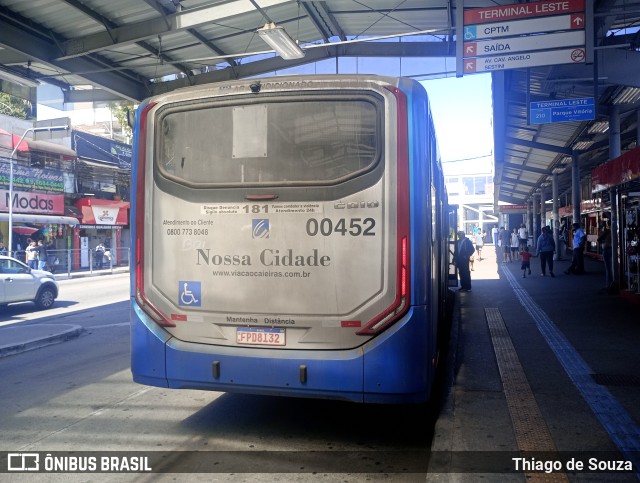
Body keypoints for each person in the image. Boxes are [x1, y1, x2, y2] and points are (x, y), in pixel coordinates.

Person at [597, 220, 613, 288]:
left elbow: (599, 239)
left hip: (607, 248)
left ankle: (609, 284)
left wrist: (603, 242)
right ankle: (612, 282)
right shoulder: (616, 231)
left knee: (608, 268)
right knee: (612, 267)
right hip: (613, 249)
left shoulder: (608, 231)